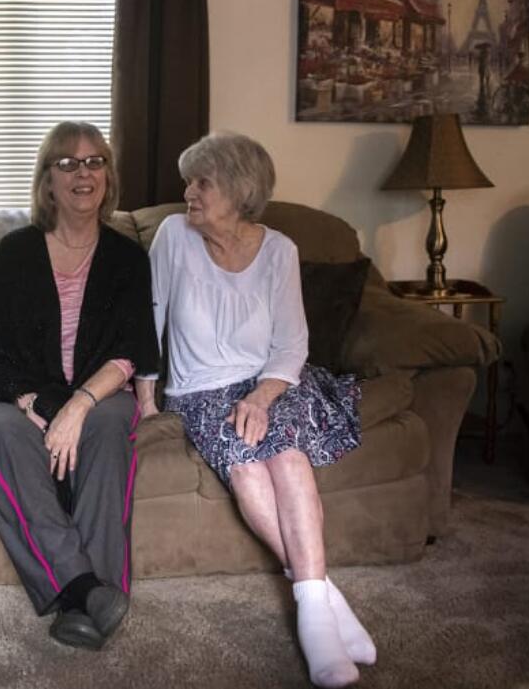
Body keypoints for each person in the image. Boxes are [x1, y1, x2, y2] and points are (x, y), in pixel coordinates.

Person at [134, 132, 372, 688]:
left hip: (272, 382)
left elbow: (291, 345)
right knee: (245, 463)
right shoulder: (173, 236)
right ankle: (324, 601)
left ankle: (313, 612)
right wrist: (146, 398)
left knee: (287, 457)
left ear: (240, 192)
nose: (188, 192)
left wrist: (263, 397)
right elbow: (147, 320)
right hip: (198, 391)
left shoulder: (280, 251)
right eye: (188, 180)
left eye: (202, 182)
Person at [0, 121, 159, 651]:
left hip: (99, 394)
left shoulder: (127, 258)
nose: (84, 173)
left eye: (95, 161)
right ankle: (90, 591)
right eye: (69, 163)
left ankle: (80, 597)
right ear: (48, 182)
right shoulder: (17, 251)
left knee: (107, 422)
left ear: (108, 174)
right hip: (27, 393)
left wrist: (78, 405)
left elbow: (133, 350)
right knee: (5, 429)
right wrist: (27, 397)